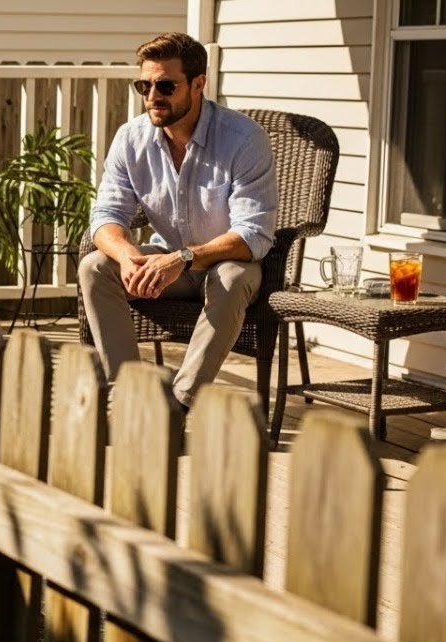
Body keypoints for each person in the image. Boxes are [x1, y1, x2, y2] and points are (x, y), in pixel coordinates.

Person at [78, 32, 278, 409]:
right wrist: (125, 255)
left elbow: (253, 234)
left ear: (199, 83)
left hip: (228, 264)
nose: (153, 96)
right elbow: (105, 215)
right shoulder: (130, 139)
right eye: (145, 85)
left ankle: (179, 403)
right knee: (95, 266)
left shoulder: (244, 139)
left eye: (166, 85)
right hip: (168, 261)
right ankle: (129, 399)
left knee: (231, 277)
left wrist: (183, 258)